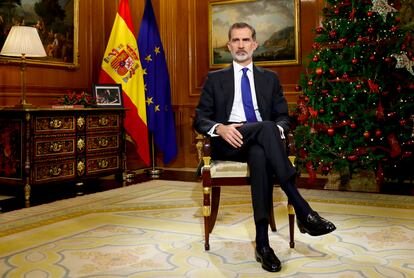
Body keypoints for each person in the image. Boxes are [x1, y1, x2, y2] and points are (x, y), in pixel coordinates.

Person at [193, 22, 336, 273]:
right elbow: (200, 119)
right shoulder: (215, 79)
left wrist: (273, 131)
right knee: (266, 128)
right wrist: (221, 128)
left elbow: (283, 117)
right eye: (235, 40)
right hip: (229, 143)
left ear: (254, 45)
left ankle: (262, 244)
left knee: (262, 146)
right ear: (228, 46)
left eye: (245, 40)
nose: (240, 45)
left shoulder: (270, 78)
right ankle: (302, 209)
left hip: (261, 142)